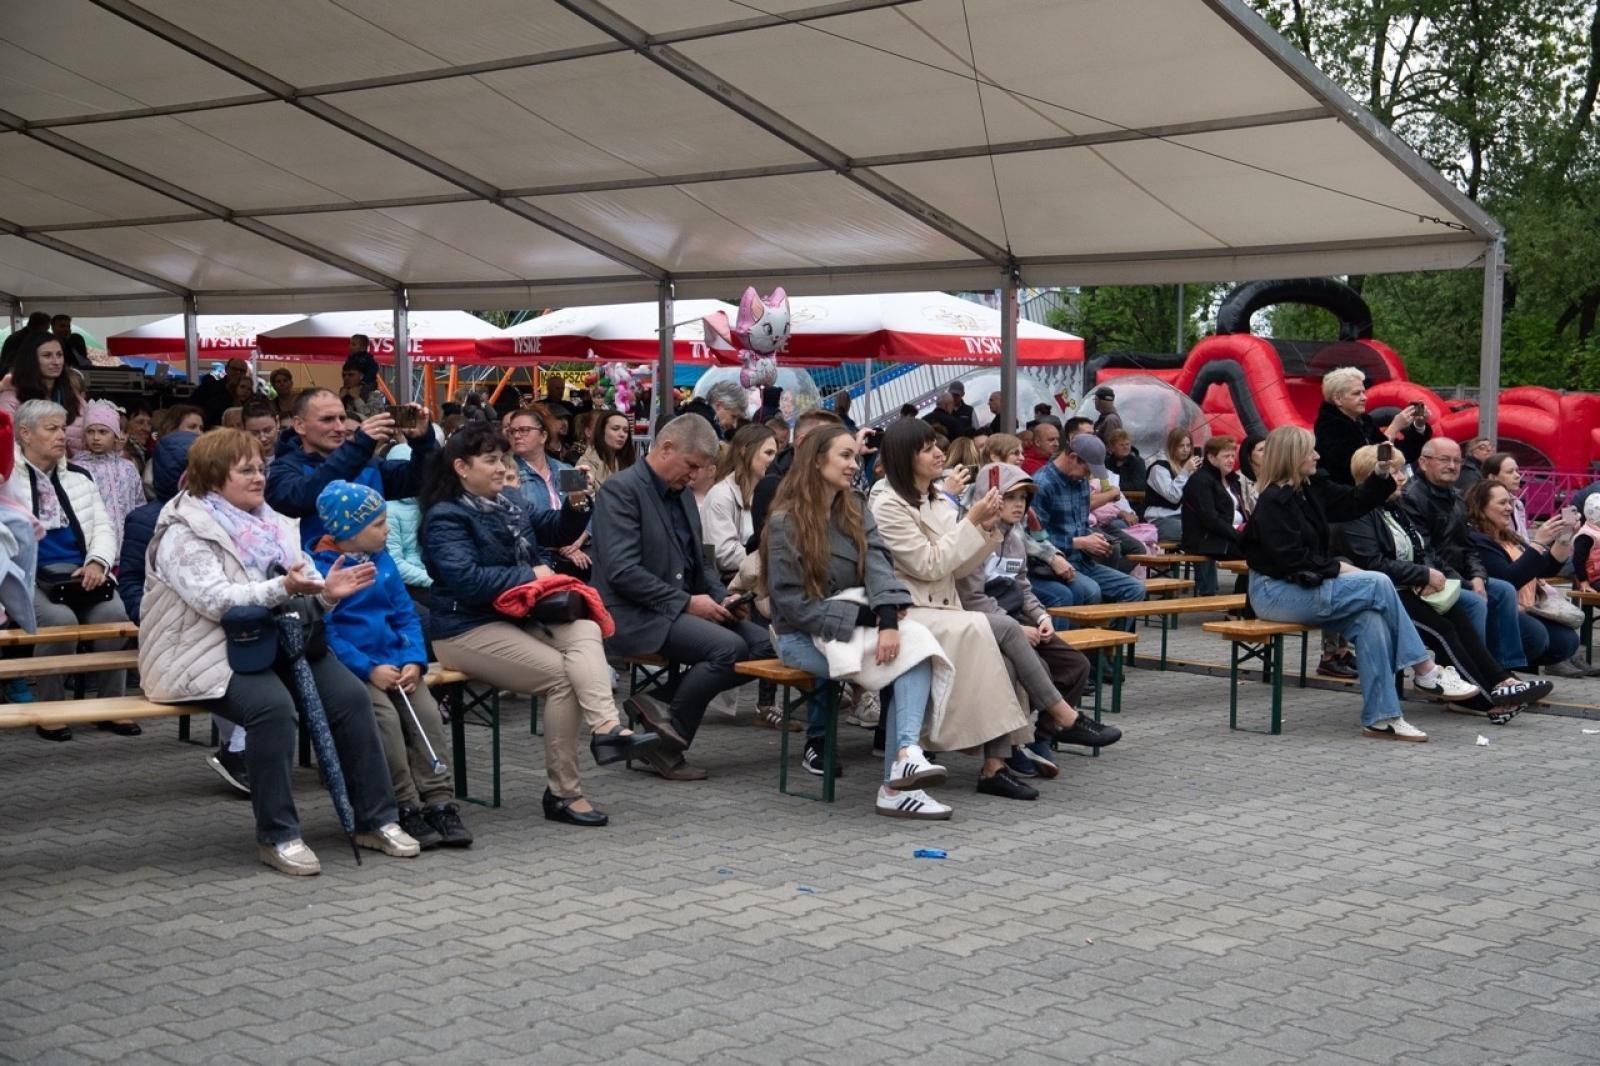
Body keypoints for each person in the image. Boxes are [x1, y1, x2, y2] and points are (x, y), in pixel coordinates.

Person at [139, 430, 415, 873]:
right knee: (272, 709)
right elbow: (216, 601)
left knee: (351, 698)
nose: (259, 477)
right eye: (245, 469)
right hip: (203, 651)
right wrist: (283, 586)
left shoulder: (272, 522)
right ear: (213, 476)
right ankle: (279, 834)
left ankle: (375, 819)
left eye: (261, 468)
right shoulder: (183, 530)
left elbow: (301, 595)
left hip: (275, 640)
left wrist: (328, 595)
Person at [421, 422, 656, 824]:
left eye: (503, 459)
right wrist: (532, 576)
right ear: (461, 467)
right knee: (562, 678)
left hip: (520, 615)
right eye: (491, 460)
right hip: (465, 628)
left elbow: (554, 529)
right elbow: (467, 581)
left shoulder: (509, 501)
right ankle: (564, 794)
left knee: (585, 626)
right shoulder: (445, 518)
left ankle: (607, 729)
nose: (501, 467)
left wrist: (578, 502)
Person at [869, 419, 1090, 801]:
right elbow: (931, 565)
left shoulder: (934, 497)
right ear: (905, 458)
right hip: (913, 613)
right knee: (1004, 630)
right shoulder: (886, 502)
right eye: (927, 449)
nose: (940, 453)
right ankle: (1060, 715)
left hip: (944, 610)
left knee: (1005, 657)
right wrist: (971, 521)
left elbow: (961, 565)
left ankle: (996, 767)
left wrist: (986, 530)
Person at [1241, 425, 1479, 742]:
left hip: (1303, 583)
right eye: (1310, 451)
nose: (1317, 455)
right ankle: (1424, 667)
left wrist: (1380, 474)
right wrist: (1339, 568)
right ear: (1293, 457)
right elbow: (1290, 560)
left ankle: (1382, 717)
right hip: (1275, 592)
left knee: (1371, 621)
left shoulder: (1310, 487)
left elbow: (1353, 502)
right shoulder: (1273, 502)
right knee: (1378, 583)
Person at [761, 425, 949, 817]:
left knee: (915, 650)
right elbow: (793, 605)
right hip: (802, 637)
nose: (854, 463)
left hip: (857, 626)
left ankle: (904, 761)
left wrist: (887, 621)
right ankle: (898, 783)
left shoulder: (855, 505)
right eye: (845, 455)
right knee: (907, 662)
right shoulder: (784, 521)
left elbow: (879, 563)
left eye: (855, 455)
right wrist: (867, 618)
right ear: (816, 461)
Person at [591, 415, 773, 780]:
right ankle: (669, 747)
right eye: (691, 466)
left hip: (675, 608)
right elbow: (622, 572)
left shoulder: (684, 495)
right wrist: (689, 603)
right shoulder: (621, 491)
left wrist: (723, 599)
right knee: (727, 650)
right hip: (631, 613)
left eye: (700, 469)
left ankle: (656, 706)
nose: (693, 476)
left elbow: (701, 564)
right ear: (666, 448)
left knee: (764, 645)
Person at [1333, 445, 1552, 724]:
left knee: (1459, 613)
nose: (1403, 477)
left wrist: (1434, 577)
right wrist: (1423, 575)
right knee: (1444, 628)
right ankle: (1486, 700)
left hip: (1410, 586)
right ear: (1372, 476)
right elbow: (1373, 564)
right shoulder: (1357, 514)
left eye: (1402, 470)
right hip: (1384, 593)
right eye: (1396, 471)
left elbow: (1424, 549)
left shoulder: (1394, 508)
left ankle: (1500, 680)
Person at [311, 481, 471, 849]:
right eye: (378, 524)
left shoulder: (382, 562)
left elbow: (405, 615)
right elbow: (330, 632)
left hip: (397, 663)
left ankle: (439, 800)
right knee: (384, 722)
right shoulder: (323, 570)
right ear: (349, 530)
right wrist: (369, 669)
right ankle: (403, 804)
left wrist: (414, 659)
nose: (387, 530)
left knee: (427, 715)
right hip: (359, 670)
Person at [956, 463, 1113, 780]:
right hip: (980, 622)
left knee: (1076, 666)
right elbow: (970, 597)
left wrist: (1041, 617)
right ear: (990, 496)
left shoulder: (1015, 537)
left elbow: (1023, 586)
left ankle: (1043, 737)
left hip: (1015, 620)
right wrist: (1016, 626)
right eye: (1011, 496)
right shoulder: (969, 534)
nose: (1019, 505)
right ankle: (1013, 748)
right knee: (1028, 669)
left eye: (1024, 498)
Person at [2, 399, 135, 738]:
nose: (62, 436)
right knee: (59, 621)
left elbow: (104, 528)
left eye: (63, 428)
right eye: (52, 429)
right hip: (26, 576)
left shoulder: (79, 475)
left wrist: (97, 562)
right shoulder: (6, 478)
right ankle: (50, 708)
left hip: (79, 573)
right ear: (25, 434)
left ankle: (111, 706)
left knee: (114, 614)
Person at [1403, 437, 1528, 674]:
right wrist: (1467, 583)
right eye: (1444, 460)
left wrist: (1478, 576)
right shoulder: (1413, 496)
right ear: (1423, 461)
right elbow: (1423, 552)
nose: (1452, 466)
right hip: (1428, 579)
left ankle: (1503, 669)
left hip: (1458, 576)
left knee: (1504, 591)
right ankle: (1470, 673)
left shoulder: (1456, 497)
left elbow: (1468, 546)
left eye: (1457, 461)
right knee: (1475, 604)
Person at [266, 388, 435, 549]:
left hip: (377, 572)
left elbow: (420, 479)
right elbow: (303, 496)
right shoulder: (283, 470)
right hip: (315, 574)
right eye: (327, 419)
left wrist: (423, 441)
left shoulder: (367, 463)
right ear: (299, 425)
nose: (340, 427)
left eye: (342, 418)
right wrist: (358, 447)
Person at [1465, 480, 1585, 675]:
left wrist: (1564, 537)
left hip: (1527, 607)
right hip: (1496, 613)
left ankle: (1520, 670)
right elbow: (1509, 579)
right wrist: (1539, 542)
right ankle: (1498, 671)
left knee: (1566, 641)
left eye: (1510, 503)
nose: (1508, 508)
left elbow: (1545, 568)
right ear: (1481, 505)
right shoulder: (1477, 539)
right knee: (1536, 636)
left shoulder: (1507, 535)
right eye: (1502, 503)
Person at [1030, 433, 1147, 629]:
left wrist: (1092, 539)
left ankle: (1108, 648)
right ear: (1074, 457)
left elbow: (1081, 525)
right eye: (1087, 469)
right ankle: (1084, 650)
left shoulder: (1080, 482)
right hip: (1051, 565)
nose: (1088, 475)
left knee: (1135, 589)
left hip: (1081, 562)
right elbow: (1033, 538)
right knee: (1090, 591)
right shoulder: (1043, 484)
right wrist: (1080, 542)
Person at [1313, 367, 1432, 486]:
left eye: (1363, 392)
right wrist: (1394, 428)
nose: (1364, 397)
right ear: (1338, 399)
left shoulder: (1364, 421)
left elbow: (1399, 456)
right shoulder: (1329, 428)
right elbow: (1363, 468)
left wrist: (1419, 426)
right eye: (1356, 393)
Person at [700, 423, 778, 582]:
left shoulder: (768, 492)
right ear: (745, 450)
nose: (773, 460)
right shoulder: (721, 495)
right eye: (768, 453)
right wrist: (771, 559)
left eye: (775, 454)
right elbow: (723, 554)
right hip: (731, 586)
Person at [72, 401, 144, 560]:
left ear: (116, 435)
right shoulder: (77, 468)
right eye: (90, 431)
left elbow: (139, 505)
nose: (96, 437)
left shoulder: (128, 468)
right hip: (92, 549)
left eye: (103, 432)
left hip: (127, 547)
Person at [1180, 435, 1248, 596]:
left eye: (1232, 456)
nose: (1231, 460)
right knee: (1257, 554)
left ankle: (1244, 603)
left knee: (1263, 549)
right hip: (1206, 539)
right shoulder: (1200, 481)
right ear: (1211, 457)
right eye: (1226, 456)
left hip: (1228, 535)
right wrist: (1239, 536)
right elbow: (1210, 520)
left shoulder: (1232, 481)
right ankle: (1239, 606)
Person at [0, 332, 88, 453]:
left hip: (73, 468)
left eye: (59, 355)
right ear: (31, 360)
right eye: (47, 355)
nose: (56, 362)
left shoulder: (74, 397)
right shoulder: (10, 400)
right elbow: (8, 447)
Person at [1143, 427, 1197, 542]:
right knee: (1191, 532)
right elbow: (1173, 496)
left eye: (1188, 445)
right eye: (1181, 446)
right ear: (1172, 447)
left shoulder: (1188, 468)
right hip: (1160, 519)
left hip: (1184, 517)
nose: (1185, 450)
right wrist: (1185, 473)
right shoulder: (1158, 468)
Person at [576, 408, 635, 492]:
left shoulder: (627, 462)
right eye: (615, 429)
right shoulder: (585, 465)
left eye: (625, 431)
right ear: (601, 431)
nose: (622, 434)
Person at [1480, 453, 1529, 539]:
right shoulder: (1483, 504)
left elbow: (1524, 538)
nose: (1517, 476)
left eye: (1517, 471)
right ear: (1492, 477)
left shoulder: (1518, 504)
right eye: (1510, 472)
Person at [192, 358, 250, 428]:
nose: (238, 373)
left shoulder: (249, 396)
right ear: (226, 369)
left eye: (242, 371)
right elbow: (193, 406)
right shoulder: (209, 387)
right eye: (235, 369)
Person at [1104, 428, 1147, 498]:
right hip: (1109, 500)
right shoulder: (1106, 462)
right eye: (1121, 445)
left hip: (1133, 502)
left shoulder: (1138, 462)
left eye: (1127, 444)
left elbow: (1139, 485)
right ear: (1112, 447)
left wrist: (1112, 486)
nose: (1125, 447)